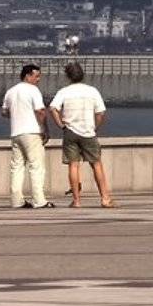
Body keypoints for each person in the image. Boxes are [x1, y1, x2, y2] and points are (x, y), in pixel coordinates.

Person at [48, 61, 115, 208]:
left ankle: (77, 200)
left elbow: (53, 108)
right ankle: (105, 198)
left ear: (68, 76)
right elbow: (101, 112)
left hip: (70, 131)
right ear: (82, 75)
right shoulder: (92, 91)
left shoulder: (64, 92)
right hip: (88, 132)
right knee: (96, 164)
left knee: (73, 165)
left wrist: (60, 124)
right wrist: (95, 126)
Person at [1, 63, 52, 210]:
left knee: (17, 167)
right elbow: (41, 111)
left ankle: (17, 201)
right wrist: (45, 129)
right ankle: (39, 200)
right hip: (32, 132)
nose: (38, 79)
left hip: (16, 133)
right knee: (36, 167)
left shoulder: (11, 91)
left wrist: (17, 114)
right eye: (36, 76)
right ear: (27, 75)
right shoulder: (33, 90)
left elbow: (4, 112)